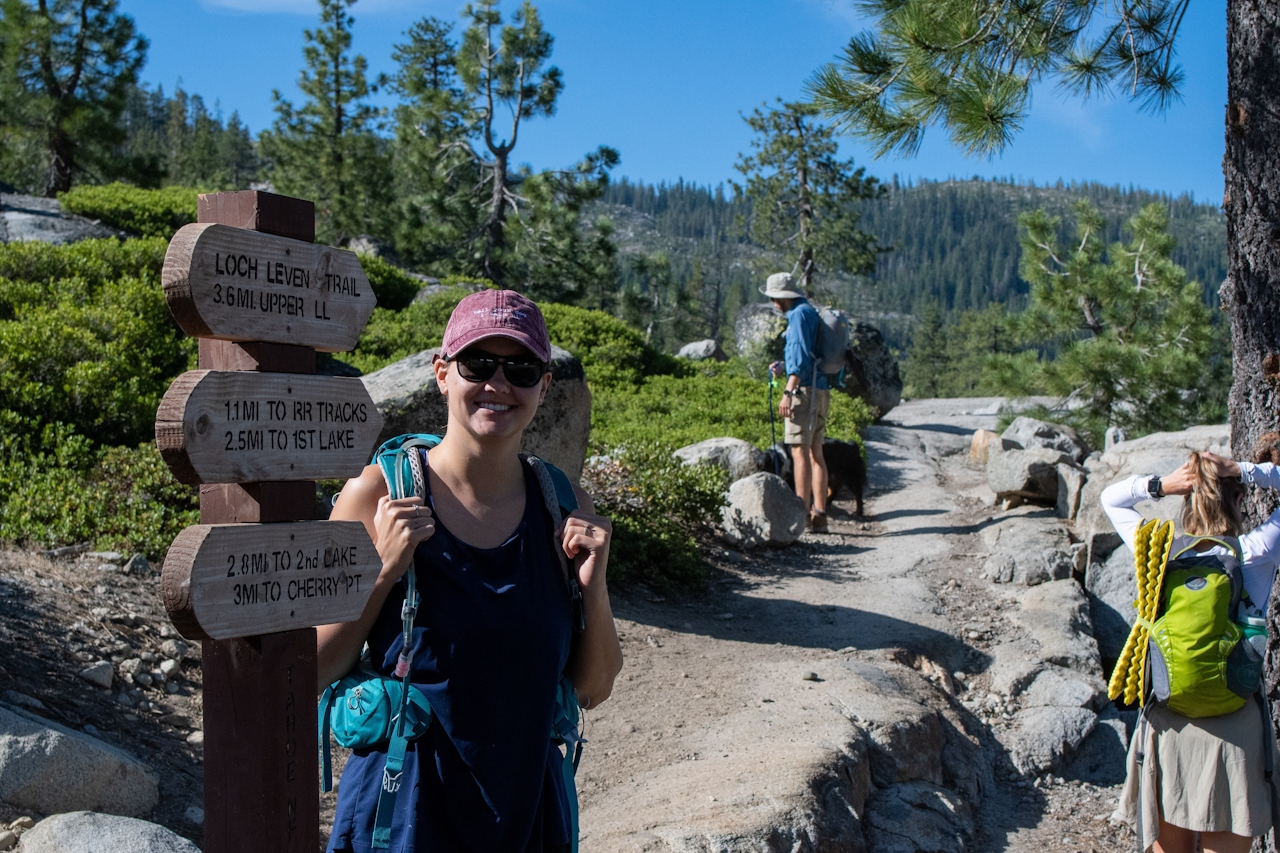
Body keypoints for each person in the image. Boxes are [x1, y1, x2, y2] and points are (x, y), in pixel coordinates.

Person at [318, 289, 624, 853]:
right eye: (478, 363)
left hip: (527, 814)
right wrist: (384, 571)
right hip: (406, 814)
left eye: (523, 368)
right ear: (441, 373)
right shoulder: (378, 494)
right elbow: (309, 669)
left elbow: (594, 687)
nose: (498, 384)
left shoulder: (562, 503)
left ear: (545, 385)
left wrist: (594, 588)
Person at [1102, 448, 1280, 853]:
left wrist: (1159, 485)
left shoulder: (1159, 551)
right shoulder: (1255, 551)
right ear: (1238, 500)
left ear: (1186, 498)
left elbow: (1110, 499)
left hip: (1169, 720)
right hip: (1235, 726)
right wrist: (1249, 471)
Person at [763, 271, 831, 532]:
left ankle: (801, 516)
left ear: (782, 297)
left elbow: (801, 357)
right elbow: (807, 354)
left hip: (804, 392)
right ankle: (820, 515)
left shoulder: (798, 316)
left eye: (774, 298)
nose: (773, 303)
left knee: (798, 451)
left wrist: (788, 392)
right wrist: (783, 365)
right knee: (816, 452)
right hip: (820, 390)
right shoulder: (808, 312)